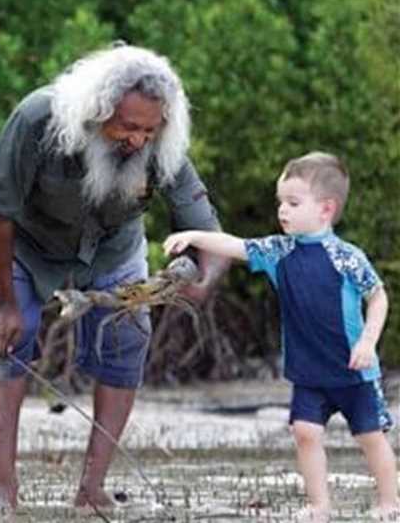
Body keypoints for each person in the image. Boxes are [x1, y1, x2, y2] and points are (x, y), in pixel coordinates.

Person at [0, 44, 229, 515]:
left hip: (113, 251)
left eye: (149, 131)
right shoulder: (36, 118)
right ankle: (4, 484)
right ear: (97, 110)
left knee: (130, 338)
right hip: (27, 248)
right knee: (14, 335)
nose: (137, 140)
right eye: (128, 127)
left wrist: (202, 278)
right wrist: (5, 304)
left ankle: (92, 487)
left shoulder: (160, 146)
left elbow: (209, 233)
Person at [163, 152, 399, 522]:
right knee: (304, 432)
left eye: (293, 203)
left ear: (325, 209)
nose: (282, 211)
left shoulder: (346, 256)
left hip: (354, 371)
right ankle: (319, 506)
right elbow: (236, 245)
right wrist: (193, 235)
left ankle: (389, 502)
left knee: (370, 437)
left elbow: (378, 296)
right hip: (307, 372)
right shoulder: (278, 251)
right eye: (280, 203)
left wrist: (368, 342)